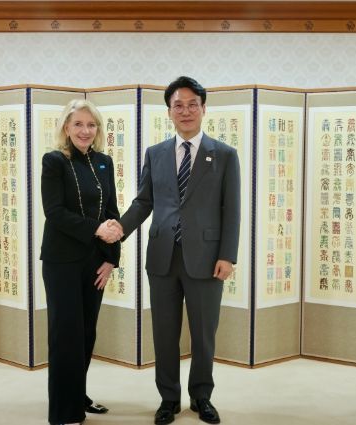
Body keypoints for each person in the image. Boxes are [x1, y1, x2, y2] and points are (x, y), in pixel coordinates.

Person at [110, 76, 240, 425]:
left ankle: (202, 396)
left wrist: (227, 255)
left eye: (192, 104)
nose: (185, 111)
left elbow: (232, 209)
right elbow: (144, 202)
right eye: (178, 105)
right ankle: (168, 398)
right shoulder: (155, 154)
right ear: (169, 111)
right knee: (164, 334)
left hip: (208, 260)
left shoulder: (224, 155)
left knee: (204, 334)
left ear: (203, 108)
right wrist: (119, 229)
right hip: (162, 258)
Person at [40, 99, 123, 425]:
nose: (85, 130)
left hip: (94, 262)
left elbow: (111, 211)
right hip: (61, 262)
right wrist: (96, 229)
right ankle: (64, 412)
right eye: (78, 124)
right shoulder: (54, 161)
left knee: (86, 333)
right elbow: (54, 213)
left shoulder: (104, 162)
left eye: (91, 125)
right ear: (66, 127)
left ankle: (78, 396)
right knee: (66, 335)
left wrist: (111, 260)